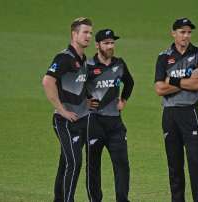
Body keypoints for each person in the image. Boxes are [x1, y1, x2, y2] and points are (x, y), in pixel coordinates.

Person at [154, 18, 198, 202]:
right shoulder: (164, 57)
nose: (186, 36)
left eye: (189, 32)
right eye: (182, 32)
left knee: (195, 162)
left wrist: (173, 81)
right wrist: (188, 82)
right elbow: (159, 89)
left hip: (190, 113)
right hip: (169, 115)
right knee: (174, 164)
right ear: (173, 33)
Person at [42, 17, 93, 202]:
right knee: (74, 162)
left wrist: (89, 101)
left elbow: (80, 86)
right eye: (85, 32)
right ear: (74, 34)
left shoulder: (83, 59)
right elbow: (48, 81)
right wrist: (61, 110)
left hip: (79, 119)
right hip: (64, 121)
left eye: (90, 33)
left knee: (65, 161)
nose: (89, 36)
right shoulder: (64, 57)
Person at [85, 29, 134, 202]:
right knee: (93, 166)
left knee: (122, 165)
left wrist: (124, 100)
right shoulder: (88, 66)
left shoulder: (119, 64)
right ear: (97, 45)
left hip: (115, 124)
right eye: (106, 43)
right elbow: (75, 88)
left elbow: (129, 82)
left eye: (112, 43)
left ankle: (122, 199)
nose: (110, 46)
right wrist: (86, 102)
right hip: (94, 122)